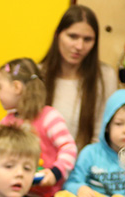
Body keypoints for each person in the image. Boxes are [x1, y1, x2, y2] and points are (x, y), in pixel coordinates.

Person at [0, 57, 78, 197]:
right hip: (17, 196)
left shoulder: (49, 117)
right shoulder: (7, 122)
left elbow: (69, 148)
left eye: (0, 87)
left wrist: (55, 173)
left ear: (16, 87)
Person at [40, 4, 117, 146]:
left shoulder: (106, 76)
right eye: (72, 36)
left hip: (86, 164)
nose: (79, 46)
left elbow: (103, 132)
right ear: (57, 35)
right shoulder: (38, 75)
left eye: (87, 39)